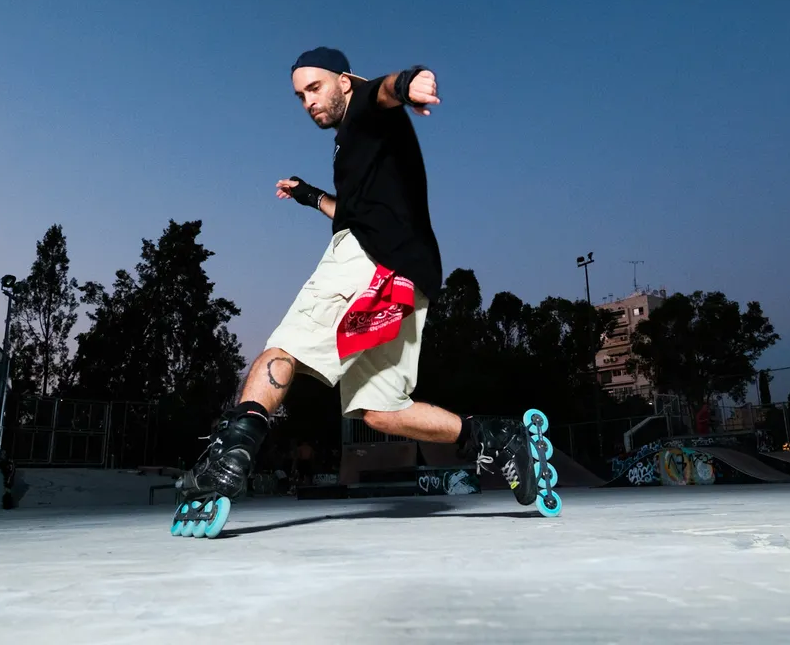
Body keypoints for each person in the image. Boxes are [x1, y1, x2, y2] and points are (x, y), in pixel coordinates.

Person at [173, 47, 553, 533]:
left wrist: (410, 81)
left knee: (286, 347)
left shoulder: (367, 108)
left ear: (344, 81)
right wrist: (308, 195)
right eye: (300, 96)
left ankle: (228, 459)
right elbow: (349, 211)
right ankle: (498, 439)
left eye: (315, 88)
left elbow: (384, 90)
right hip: (408, 275)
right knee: (381, 409)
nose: (309, 102)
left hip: (365, 260)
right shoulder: (356, 147)